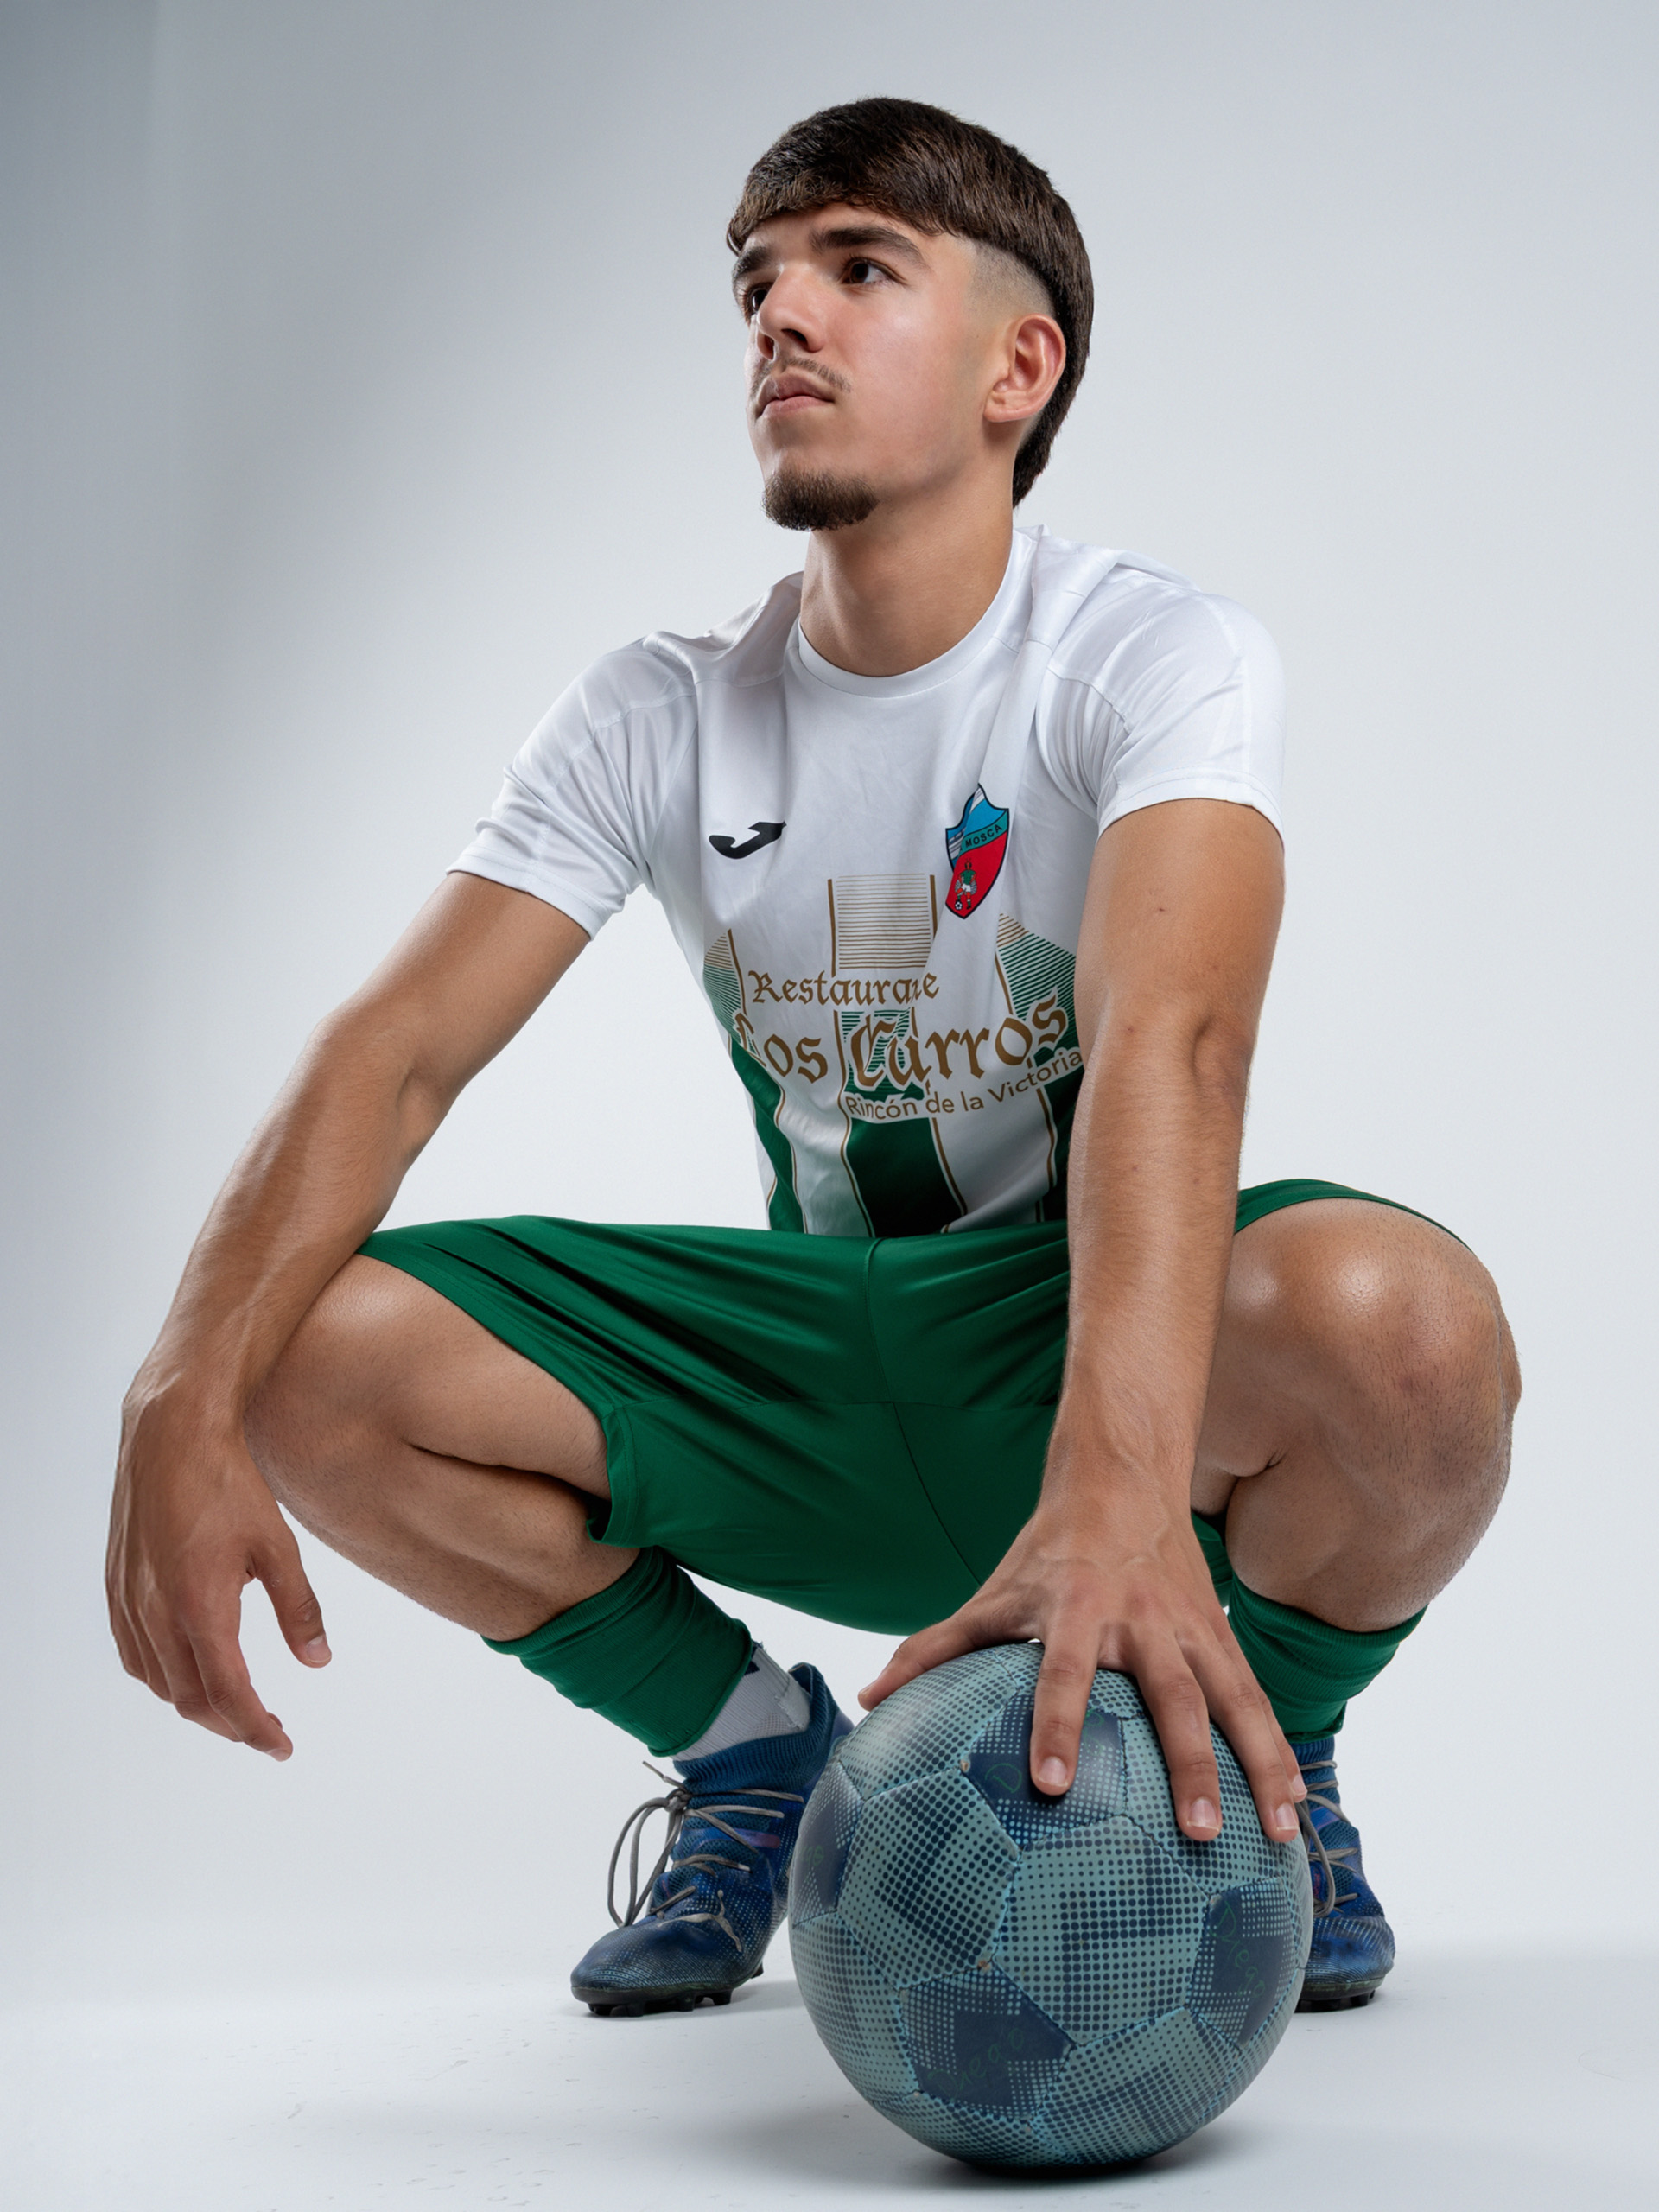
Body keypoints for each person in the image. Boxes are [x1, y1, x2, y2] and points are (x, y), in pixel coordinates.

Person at [105, 98, 1520, 2020]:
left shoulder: (1151, 654)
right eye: (759, 283)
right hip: (816, 1371)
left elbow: (1175, 1039)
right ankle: (751, 1751)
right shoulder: (661, 709)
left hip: (1084, 1348)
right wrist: (175, 1393)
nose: (783, 316)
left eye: (860, 269)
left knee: (1408, 1325)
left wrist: (1120, 1490)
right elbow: (397, 1050)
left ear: (1022, 368)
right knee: (296, 1341)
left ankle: (1265, 1743)